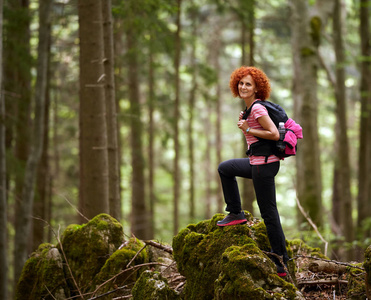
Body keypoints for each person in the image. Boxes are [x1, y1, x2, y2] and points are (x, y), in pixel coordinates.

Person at [217, 66, 289, 277]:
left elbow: (274, 134)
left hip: (264, 166)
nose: (243, 87)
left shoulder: (257, 109)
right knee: (225, 168)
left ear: (257, 88)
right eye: (241, 83)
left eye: (248, 84)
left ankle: (280, 262)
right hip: (257, 162)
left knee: (269, 213)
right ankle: (236, 212)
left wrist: (248, 129)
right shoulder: (249, 110)